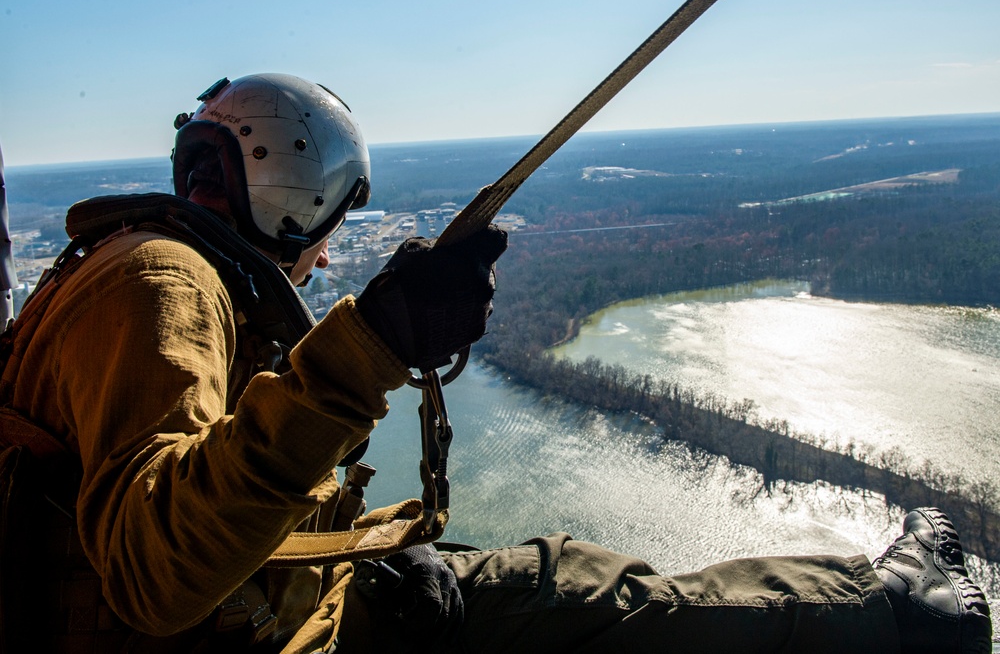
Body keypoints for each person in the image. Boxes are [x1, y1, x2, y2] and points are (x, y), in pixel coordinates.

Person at [0, 73, 991, 654]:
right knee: (562, 592)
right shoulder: (159, 284)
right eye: (327, 226)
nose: (319, 253)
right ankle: (898, 617)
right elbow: (151, 570)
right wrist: (371, 347)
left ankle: (880, 607)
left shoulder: (145, 271)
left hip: (261, 610)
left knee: (538, 575)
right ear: (294, 197)